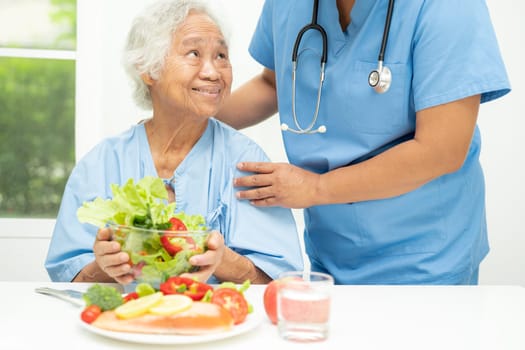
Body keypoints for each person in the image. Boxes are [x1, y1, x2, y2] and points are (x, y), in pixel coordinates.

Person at [216, 0, 511, 284]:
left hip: (426, 258)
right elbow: (274, 83)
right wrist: (187, 116)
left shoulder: (446, 7)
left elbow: (442, 151)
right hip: (331, 252)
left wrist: (315, 188)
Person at [45, 0, 303, 285]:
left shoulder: (246, 160)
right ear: (148, 69)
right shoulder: (103, 163)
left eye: (221, 55)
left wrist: (222, 259)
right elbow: (68, 282)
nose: (213, 72)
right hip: (126, 326)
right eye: (194, 53)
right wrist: (104, 266)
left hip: (216, 326)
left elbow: (280, 283)